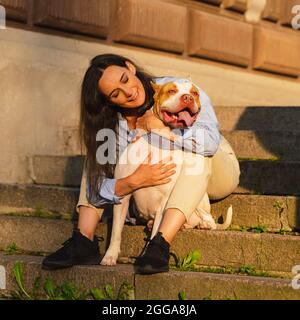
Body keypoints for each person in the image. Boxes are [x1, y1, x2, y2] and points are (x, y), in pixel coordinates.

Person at [42, 54, 240, 274]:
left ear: (130, 67)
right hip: (169, 185)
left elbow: (210, 143)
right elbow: (99, 192)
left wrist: (162, 128)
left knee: (196, 150)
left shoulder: (176, 88)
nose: (127, 92)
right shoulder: (112, 127)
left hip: (217, 169)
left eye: (125, 79)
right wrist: (132, 182)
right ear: (108, 101)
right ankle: (84, 241)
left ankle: (161, 242)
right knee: (98, 154)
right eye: (115, 93)